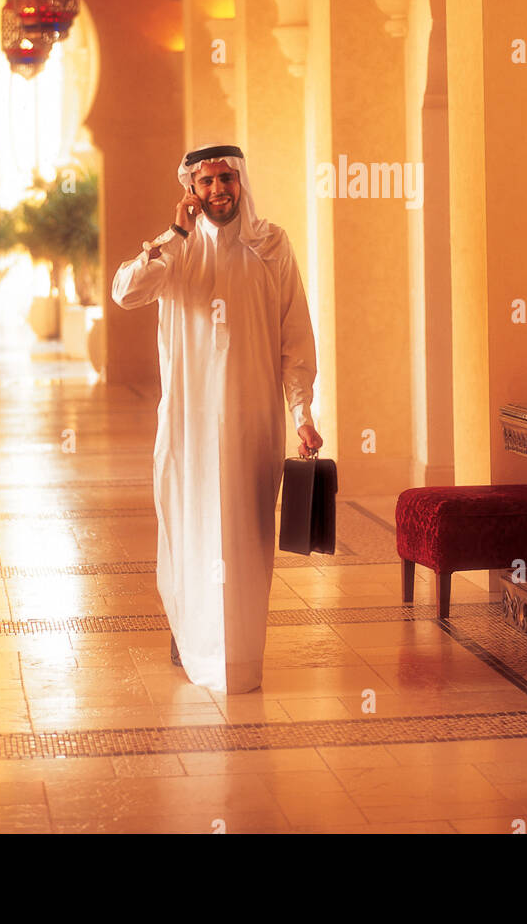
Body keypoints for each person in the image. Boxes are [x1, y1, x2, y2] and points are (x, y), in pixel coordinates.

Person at [111, 143, 322, 693]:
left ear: (240, 181)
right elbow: (125, 293)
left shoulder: (271, 245)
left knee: (247, 539)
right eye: (205, 183)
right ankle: (192, 633)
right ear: (192, 190)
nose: (218, 190)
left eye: (226, 178)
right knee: (191, 525)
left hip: (254, 423)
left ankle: (241, 656)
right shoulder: (173, 248)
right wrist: (175, 236)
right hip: (191, 425)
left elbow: (295, 337)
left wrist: (302, 413)